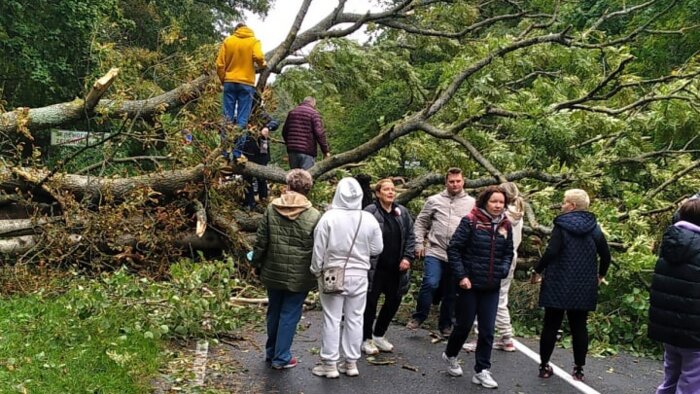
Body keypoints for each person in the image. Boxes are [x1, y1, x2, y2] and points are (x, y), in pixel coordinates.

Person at [530, 189, 611, 382]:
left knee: (551, 324)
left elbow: (551, 252)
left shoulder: (561, 225)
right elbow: (606, 255)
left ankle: (544, 366)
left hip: (558, 281)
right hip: (583, 284)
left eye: (564, 202)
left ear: (572, 206)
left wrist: (537, 270)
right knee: (579, 326)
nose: (562, 205)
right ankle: (579, 369)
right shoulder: (595, 228)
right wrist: (600, 275)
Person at [310, 177, 383, 378]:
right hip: (360, 274)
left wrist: (316, 270)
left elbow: (318, 250)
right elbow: (377, 248)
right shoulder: (368, 218)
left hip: (333, 273)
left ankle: (329, 364)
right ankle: (351, 363)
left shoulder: (328, 218)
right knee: (355, 318)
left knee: (332, 318)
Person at [442, 186, 513, 389]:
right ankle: (450, 354)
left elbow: (508, 252)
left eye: (501, 202)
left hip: (491, 285)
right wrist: (462, 275)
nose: (498, 205)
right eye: (494, 201)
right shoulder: (471, 221)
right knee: (463, 326)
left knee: (487, 330)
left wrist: (503, 269)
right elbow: (454, 248)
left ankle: (482, 370)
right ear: (484, 202)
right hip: (469, 285)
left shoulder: (505, 225)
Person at [250, 169, 321, 370]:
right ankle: (282, 357)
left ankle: (271, 351)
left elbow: (261, 241)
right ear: (308, 188)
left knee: (274, 310)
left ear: (288, 185)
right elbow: (318, 246)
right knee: (290, 313)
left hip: (272, 270)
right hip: (299, 275)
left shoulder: (272, 209)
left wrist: (256, 264)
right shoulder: (314, 215)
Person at [407, 168, 475, 337]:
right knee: (431, 283)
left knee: (451, 292)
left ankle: (445, 325)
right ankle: (419, 316)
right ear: (446, 182)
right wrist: (418, 243)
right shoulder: (434, 200)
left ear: (463, 181)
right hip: (435, 250)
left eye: (458, 181)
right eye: (452, 181)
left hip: (458, 254)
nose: (455, 184)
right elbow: (421, 222)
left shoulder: (472, 203)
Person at [648, 198, 700, 394]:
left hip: (668, 328)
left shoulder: (671, 244)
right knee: (692, 384)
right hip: (695, 332)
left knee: (671, 377)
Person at [361, 178, 415, 355]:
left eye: (393, 189)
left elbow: (410, 236)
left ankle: (379, 334)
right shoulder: (371, 211)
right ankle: (366, 338)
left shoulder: (402, 212)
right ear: (378, 193)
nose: (391, 192)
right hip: (375, 268)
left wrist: (407, 257)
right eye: (386, 189)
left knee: (393, 301)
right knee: (370, 303)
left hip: (396, 268)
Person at [492, 182, 525, 351]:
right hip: (512, 256)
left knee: (488, 296)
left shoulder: (502, 216)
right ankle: (506, 337)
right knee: (502, 297)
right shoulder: (518, 213)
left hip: (497, 258)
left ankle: (500, 334)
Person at [215, 23, 266, 129]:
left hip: (229, 81)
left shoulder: (228, 41)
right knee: (242, 118)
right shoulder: (254, 41)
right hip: (246, 83)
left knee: (227, 117)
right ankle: (238, 145)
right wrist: (262, 65)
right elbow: (259, 56)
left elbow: (219, 65)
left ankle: (225, 144)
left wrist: (223, 79)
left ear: (236, 30)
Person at [242, 113, 280, 210]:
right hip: (247, 152)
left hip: (261, 154)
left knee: (262, 178)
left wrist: (267, 127)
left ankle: (263, 200)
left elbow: (275, 123)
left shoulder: (262, 114)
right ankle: (249, 203)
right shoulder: (243, 114)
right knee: (247, 179)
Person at [282, 97, 331, 169]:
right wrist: (325, 151)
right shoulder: (314, 113)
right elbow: (319, 134)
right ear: (313, 103)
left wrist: (289, 144)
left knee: (294, 177)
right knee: (306, 176)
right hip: (307, 151)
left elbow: (284, 132)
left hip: (292, 151)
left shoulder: (292, 112)